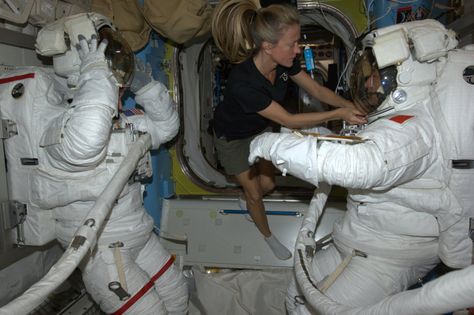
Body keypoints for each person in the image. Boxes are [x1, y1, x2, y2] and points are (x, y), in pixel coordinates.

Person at [248, 19, 474, 313]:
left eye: (378, 77)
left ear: (408, 78)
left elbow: (361, 164)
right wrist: (322, 138)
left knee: (307, 310)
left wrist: (271, 146)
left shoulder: (414, 131)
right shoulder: (406, 118)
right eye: (370, 74)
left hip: (385, 256)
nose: (369, 83)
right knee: (296, 293)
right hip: (360, 235)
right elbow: (359, 148)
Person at [0, 13, 188, 314]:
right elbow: (85, 143)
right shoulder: (56, 126)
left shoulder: (116, 123)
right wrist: (97, 73)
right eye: (104, 53)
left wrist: (145, 85)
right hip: (103, 248)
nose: (114, 61)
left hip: (137, 233)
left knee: (179, 297)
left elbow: (167, 128)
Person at [211, 0, 367, 260]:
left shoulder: (284, 62)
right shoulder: (243, 83)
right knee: (255, 194)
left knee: (269, 184)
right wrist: (340, 114)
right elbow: (289, 120)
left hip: (260, 129)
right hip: (233, 138)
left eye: (298, 41)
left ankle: (249, 198)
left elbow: (316, 89)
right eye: (292, 44)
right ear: (268, 47)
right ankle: (267, 235)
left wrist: (352, 106)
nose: (298, 50)